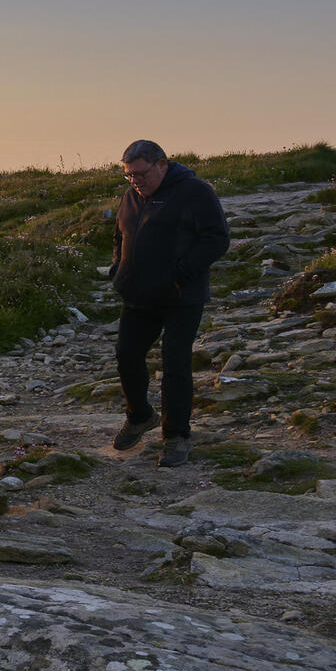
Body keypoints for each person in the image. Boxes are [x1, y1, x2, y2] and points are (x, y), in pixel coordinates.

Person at [109, 139, 230, 467]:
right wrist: (118, 267)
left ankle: (176, 437)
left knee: (175, 363)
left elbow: (217, 239)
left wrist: (181, 272)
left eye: (141, 174)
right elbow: (120, 234)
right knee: (126, 355)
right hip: (138, 293)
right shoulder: (131, 196)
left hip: (181, 296)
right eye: (129, 175)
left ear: (161, 165)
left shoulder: (194, 191)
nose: (135, 181)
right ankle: (140, 416)